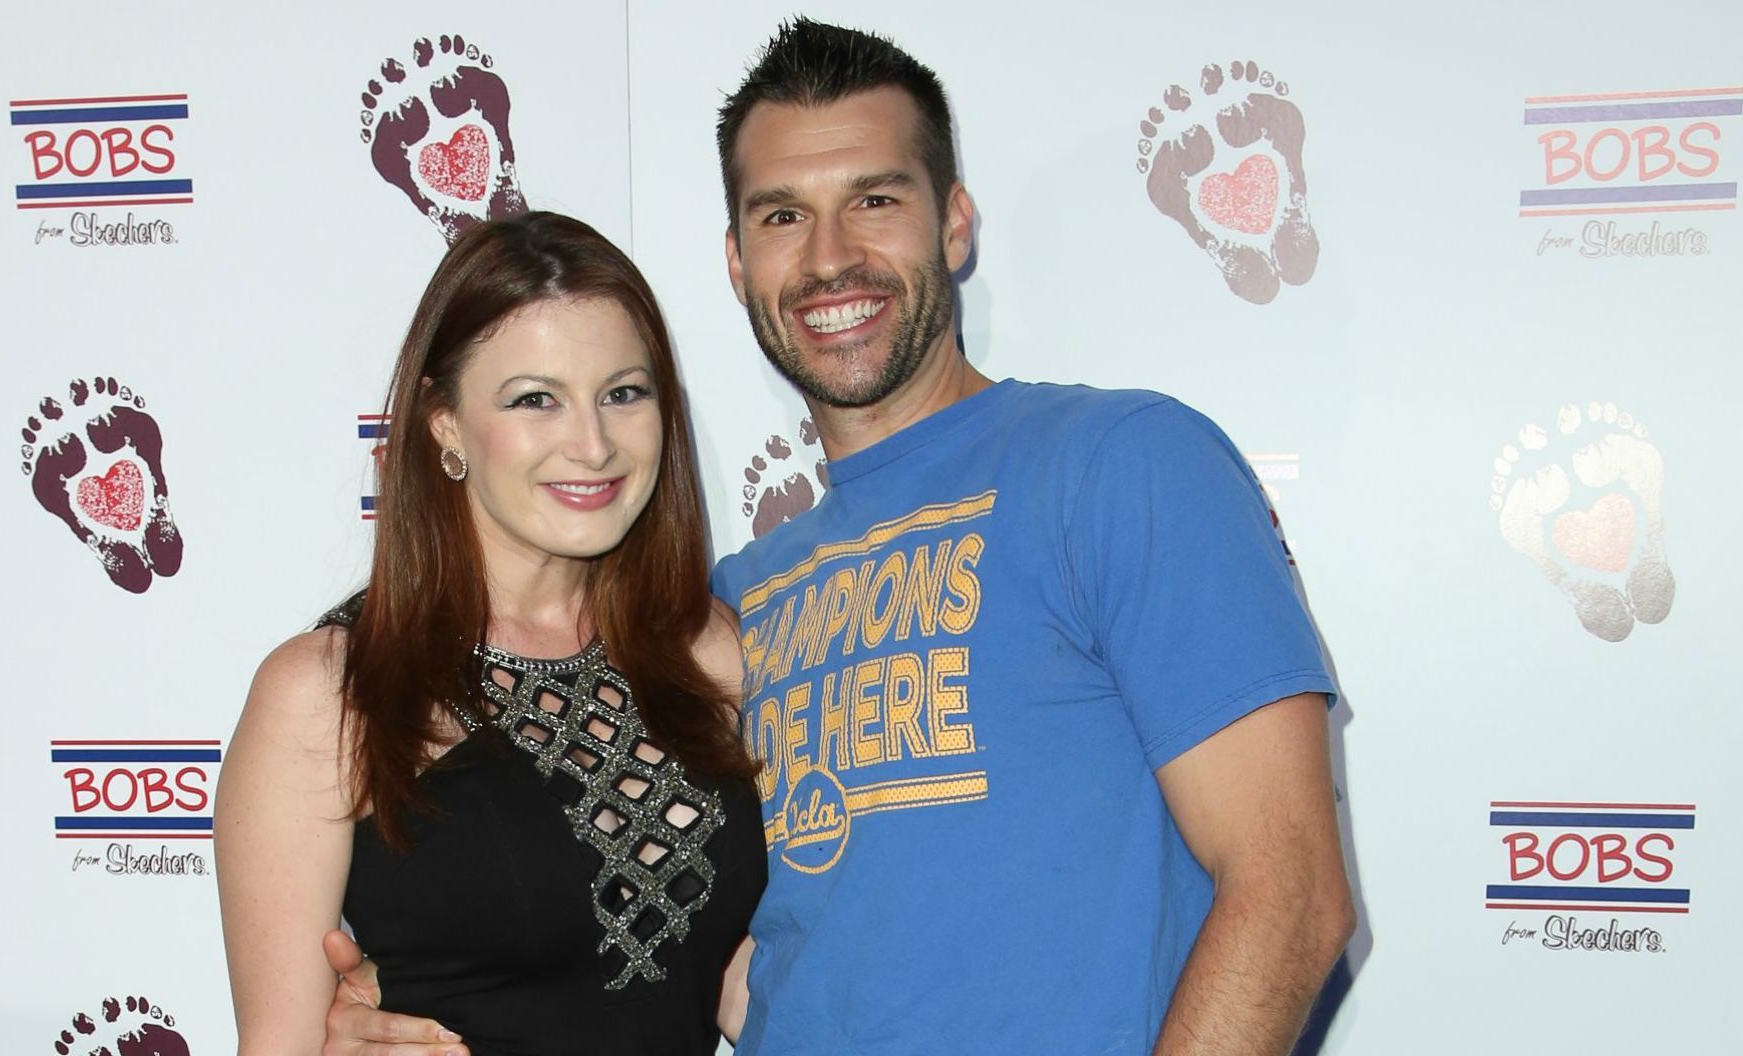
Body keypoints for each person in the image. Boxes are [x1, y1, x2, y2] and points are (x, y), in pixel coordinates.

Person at [322, 20, 1355, 1056]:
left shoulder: (1120, 466)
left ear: (955, 224)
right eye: (783, 215)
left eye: (874, 200)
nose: (829, 258)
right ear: (738, 263)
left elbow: (1291, 893)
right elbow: (690, 953)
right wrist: (402, 999)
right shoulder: (725, 610)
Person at [214, 211, 765, 1056]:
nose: (592, 444)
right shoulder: (329, 693)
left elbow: (741, 982)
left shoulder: (710, 651)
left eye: (623, 393)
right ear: (445, 425)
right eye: (535, 400)